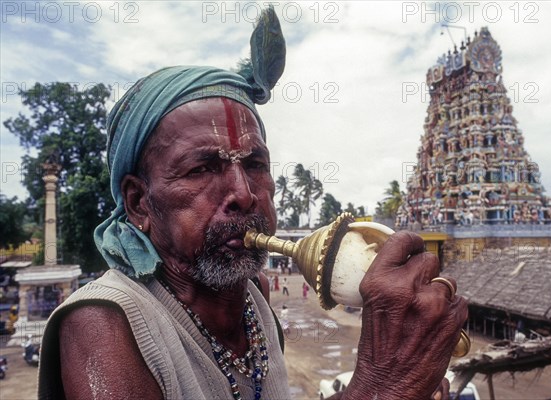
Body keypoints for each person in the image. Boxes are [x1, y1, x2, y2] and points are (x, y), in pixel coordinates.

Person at [38, 8, 467, 400]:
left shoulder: (253, 299)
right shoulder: (103, 326)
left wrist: (408, 374)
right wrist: (383, 387)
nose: (244, 194)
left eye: (256, 163)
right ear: (139, 203)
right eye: (202, 168)